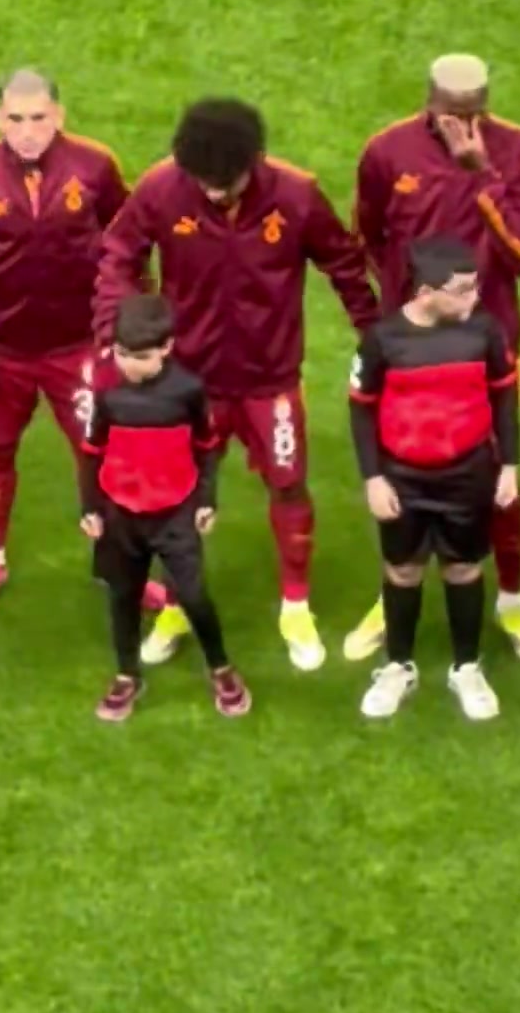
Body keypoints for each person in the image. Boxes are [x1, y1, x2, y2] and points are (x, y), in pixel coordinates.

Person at [94, 98, 378, 671]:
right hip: (187, 382)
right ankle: (177, 604)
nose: (216, 192)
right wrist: (113, 328)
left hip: (269, 380)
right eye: (204, 182)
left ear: (257, 159)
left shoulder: (297, 196)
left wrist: (375, 336)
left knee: (289, 484)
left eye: (227, 182)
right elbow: (118, 254)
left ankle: (295, 605)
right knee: (174, 493)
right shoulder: (160, 189)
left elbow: (343, 264)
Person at [347, 53, 520, 667]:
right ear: (429, 101)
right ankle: (395, 591)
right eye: (451, 112)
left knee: (498, 478)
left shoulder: (519, 152)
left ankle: (511, 598)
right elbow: (369, 237)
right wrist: (403, 314)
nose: (462, 123)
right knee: (398, 467)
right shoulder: (386, 152)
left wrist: (481, 175)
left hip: (488, 346)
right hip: (407, 352)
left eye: (473, 112)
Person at [0, 68, 136, 616]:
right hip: (3, 349)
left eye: (39, 118)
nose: (28, 131)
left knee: (101, 452)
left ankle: (115, 563)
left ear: (58, 116)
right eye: (16, 119)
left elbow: (128, 240)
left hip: (79, 344)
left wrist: (130, 321)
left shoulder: (95, 165)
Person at [348, 236, 520, 722]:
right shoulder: (383, 340)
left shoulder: (485, 333)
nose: (474, 298)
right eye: (463, 290)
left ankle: (466, 668)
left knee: (463, 568)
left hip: (467, 474)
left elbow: (505, 398)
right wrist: (373, 478)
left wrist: (510, 465)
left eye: (475, 287)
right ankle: (397, 666)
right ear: (426, 293)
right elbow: (361, 411)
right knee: (402, 569)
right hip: (402, 478)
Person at [81, 295, 251, 725]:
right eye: (122, 354)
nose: (129, 364)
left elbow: (207, 447)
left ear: (167, 348)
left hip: (175, 513)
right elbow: (92, 451)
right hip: (121, 515)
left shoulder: (188, 391)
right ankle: (127, 675)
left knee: (193, 596)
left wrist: (206, 499)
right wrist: (91, 508)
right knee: (123, 596)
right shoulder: (107, 393)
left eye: (141, 357)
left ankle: (221, 668)